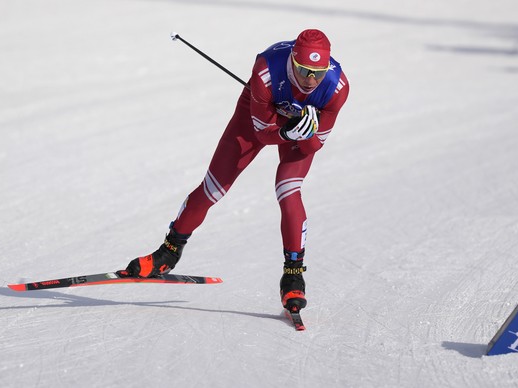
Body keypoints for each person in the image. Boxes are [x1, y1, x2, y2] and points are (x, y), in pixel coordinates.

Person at [124, 29, 350, 313]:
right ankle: (168, 252)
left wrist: (306, 135)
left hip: (295, 130)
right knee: (213, 187)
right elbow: (262, 132)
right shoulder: (267, 69)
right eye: (304, 71)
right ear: (292, 59)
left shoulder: (337, 87)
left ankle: (293, 275)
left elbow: (312, 147)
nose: (311, 80)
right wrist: (286, 131)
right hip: (261, 117)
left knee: (288, 189)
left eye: (317, 72)